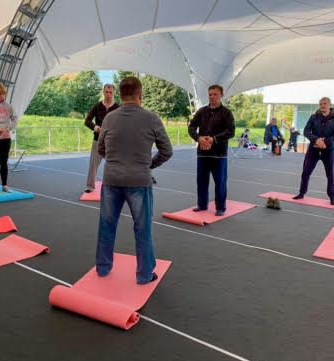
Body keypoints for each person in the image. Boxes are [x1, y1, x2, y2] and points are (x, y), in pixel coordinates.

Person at [95, 76, 172, 284]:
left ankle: (102, 269)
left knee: (106, 226)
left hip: (111, 179)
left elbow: (101, 149)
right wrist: (149, 165)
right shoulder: (152, 118)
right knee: (142, 229)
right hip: (139, 181)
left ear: (120, 95)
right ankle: (145, 274)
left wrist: (115, 162)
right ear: (140, 95)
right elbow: (167, 151)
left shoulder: (109, 118)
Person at [188, 85, 235, 216]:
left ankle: (220, 208)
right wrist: (199, 138)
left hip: (219, 155)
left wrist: (214, 139)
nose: (212, 97)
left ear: (221, 96)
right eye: (210, 94)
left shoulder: (227, 113)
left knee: (220, 182)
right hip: (202, 153)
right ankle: (202, 205)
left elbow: (231, 132)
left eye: (215, 94)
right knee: (201, 181)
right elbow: (191, 127)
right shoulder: (201, 111)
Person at [293, 97, 334, 205]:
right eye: (320, 104)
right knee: (306, 172)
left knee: (331, 174)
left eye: (325, 103)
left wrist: (325, 142)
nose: (322, 105)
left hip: (328, 149)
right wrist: (316, 140)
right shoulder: (314, 117)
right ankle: (301, 193)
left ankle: (332, 197)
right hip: (313, 149)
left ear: (330, 105)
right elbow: (306, 131)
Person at [84, 84, 119, 193]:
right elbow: (87, 121)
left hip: (112, 142)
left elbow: (121, 123)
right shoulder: (97, 106)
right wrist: (96, 128)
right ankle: (90, 186)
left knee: (114, 165)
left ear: (114, 93)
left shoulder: (117, 107)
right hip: (97, 140)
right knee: (93, 164)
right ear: (103, 92)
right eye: (106, 92)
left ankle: (114, 187)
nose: (108, 94)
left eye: (110, 92)